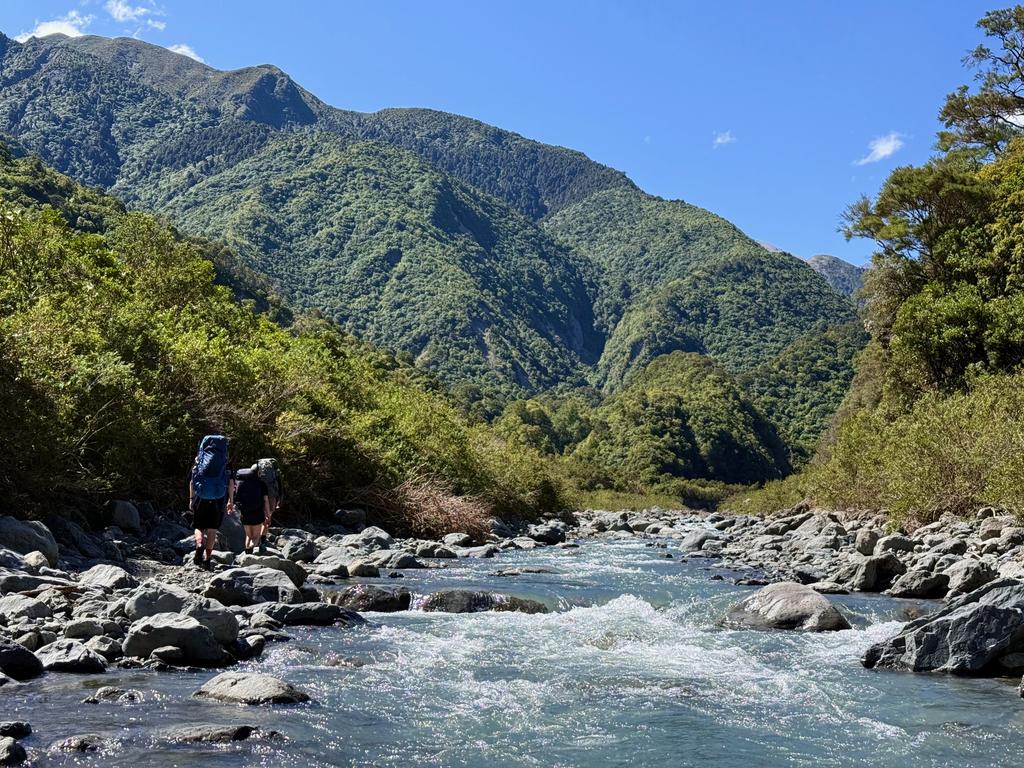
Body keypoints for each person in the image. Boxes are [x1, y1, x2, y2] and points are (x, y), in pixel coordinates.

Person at [188, 434, 233, 570]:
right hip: (218, 499)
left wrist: (191, 499)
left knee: (198, 526)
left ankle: (199, 543)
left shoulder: (199, 460)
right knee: (212, 530)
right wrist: (230, 501)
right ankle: (207, 559)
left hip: (200, 497)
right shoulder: (226, 462)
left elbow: (192, 481)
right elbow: (231, 484)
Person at [234, 465, 270, 554]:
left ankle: (247, 554)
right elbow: (265, 501)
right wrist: (268, 514)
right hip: (257, 512)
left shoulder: (242, 482)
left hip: (244, 512)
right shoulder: (261, 484)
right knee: (256, 536)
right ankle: (250, 548)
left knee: (248, 536)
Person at [254, 458, 282, 554]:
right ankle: (262, 540)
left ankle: (255, 541)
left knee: (258, 517)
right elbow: (280, 486)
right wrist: (280, 499)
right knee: (268, 517)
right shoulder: (274, 469)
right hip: (271, 495)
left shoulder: (256, 468)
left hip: (258, 494)